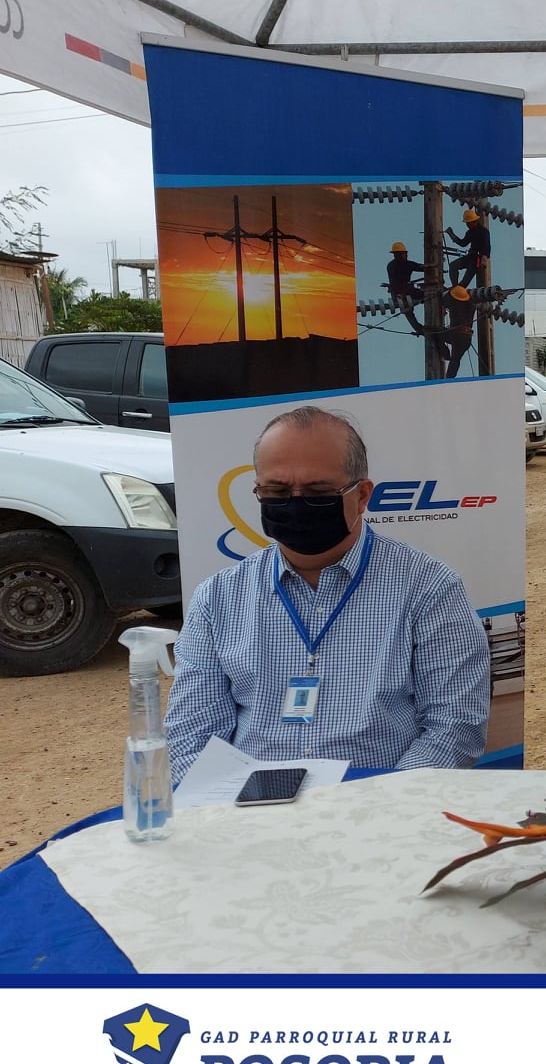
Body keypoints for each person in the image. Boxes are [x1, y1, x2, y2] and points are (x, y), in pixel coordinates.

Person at [167, 406, 490, 782]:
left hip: (378, 804)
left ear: (363, 495)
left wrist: (373, 805)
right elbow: (190, 739)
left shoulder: (429, 589)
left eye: (318, 492)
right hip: (251, 807)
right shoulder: (217, 599)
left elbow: (454, 728)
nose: (295, 504)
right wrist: (233, 804)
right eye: (276, 491)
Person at [385, 241, 427, 334]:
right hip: (399, 292)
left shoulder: (405, 264)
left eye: (405, 253)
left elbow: (421, 267)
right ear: (399, 254)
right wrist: (401, 294)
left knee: (428, 295)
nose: (406, 255)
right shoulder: (394, 266)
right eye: (404, 253)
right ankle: (419, 329)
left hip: (405, 291)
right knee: (407, 308)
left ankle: (419, 329)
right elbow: (395, 283)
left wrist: (432, 266)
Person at [444, 209, 491, 288]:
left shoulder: (483, 231)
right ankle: (455, 287)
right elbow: (463, 243)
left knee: (464, 282)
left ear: (474, 221)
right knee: (453, 266)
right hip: (470, 257)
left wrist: (484, 258)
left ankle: (458, 290)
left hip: (477, 260)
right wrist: (452, 235)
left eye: (468, 223)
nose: (467, 225)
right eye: (467, 223)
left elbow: (487, 246)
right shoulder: (469, 232)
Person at [441, 285, 475, 378]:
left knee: (435, 333)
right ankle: (449, 379)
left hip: (456, 336)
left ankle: (445, 354)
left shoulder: (455, 304)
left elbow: (444, 300)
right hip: (466, 339)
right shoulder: (471, 305)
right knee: (455, 360)